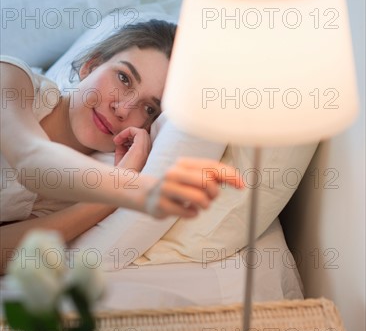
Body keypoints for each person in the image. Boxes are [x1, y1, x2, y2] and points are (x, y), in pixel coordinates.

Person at [0, 20, 243, 273]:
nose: (122, 109)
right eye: (124, 78)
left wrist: (107, 199)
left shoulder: (71, 195)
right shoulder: (14, 79)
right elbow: (29, 159)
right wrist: (133, 189)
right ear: (90, 65)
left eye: (149, 108)